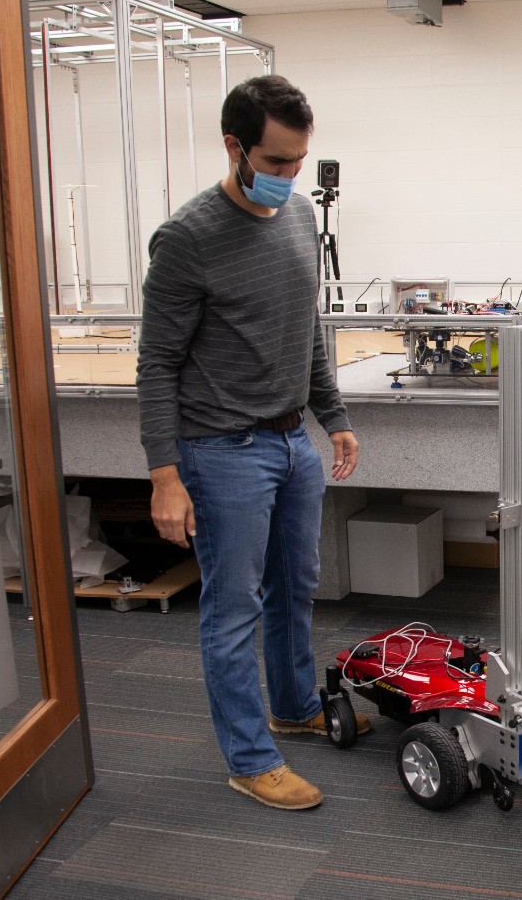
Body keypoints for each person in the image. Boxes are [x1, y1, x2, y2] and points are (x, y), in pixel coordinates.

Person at [136, 75, 365, 811]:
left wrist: (334, 415)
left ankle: (293, 704)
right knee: (232, 607)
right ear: (234, 148)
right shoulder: (188, 237)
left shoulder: (299, 217)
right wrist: (163, 473)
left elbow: (308, 332)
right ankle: (248, 757)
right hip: (220, 450)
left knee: (297, 585)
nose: (290, 176)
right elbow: (156, 363)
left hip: (292, 439)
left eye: (299, 161)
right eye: (275, 162)